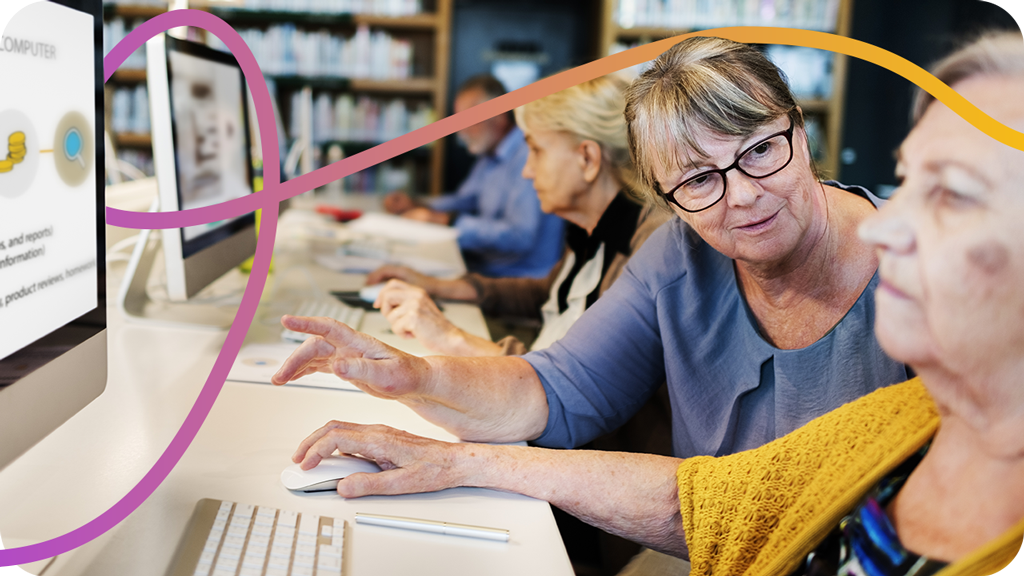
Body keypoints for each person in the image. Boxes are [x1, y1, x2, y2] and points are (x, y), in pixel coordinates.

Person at [284, 31, 1024, 575]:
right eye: (698, 182)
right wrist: (418, 376)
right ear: (666, 196)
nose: (742, 195)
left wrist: (466, 458)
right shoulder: (681, 254)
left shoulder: (926, 310)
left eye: (761, 150)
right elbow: (582, 403)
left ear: (800, 131)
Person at [366, 74, 671, 357]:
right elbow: (546, 294)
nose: (527, 170)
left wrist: (453, 339)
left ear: (588, 158)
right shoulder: (594, 229)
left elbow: (580, 384)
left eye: (536, 152)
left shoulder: (646, 251)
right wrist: (437, 286)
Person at [384, 75, 565, 278]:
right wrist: (419, 204)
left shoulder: (526, 156)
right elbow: (465, 200)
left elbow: (519, 236)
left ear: (499, 116)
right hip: (484, 268)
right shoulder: (489, 153)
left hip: (516, 280)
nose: (461, 131)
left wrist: (448, 221)